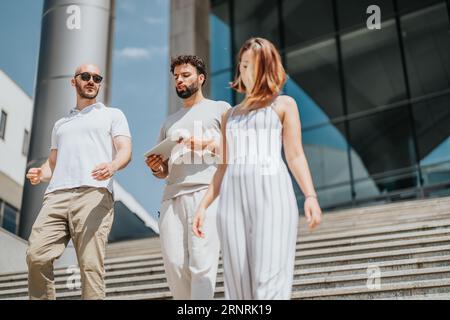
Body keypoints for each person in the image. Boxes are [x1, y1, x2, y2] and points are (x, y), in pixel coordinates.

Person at [192, 38, 323, 300]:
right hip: (232, 198)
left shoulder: (283, 105)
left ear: (268, 67)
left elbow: (295, 155)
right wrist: (203, 205)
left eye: (253, 65)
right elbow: (223, 167)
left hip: (272, 190)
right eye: (242, 66)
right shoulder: (230, 115)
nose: (246, 72)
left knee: (270, 281)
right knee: (239, 288)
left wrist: (310, 195)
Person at [25, 64, 132, 300]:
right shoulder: (61, 124)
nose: (92, 81)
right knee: (36, 254)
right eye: (85, 76)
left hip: (94, 194)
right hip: (56, 197)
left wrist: (113, 165)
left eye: (97, 77)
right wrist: (41, 173)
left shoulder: (112, 115)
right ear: (74, 82)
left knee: (91, 265)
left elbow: (125, 150)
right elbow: (52, 163)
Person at [145, 55, 231, 299]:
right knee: (174, 265)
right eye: (176, 77)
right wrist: (156, 167)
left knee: (201, 263)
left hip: (207, 193)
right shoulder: (168, 122)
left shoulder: (220, 109)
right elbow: (163, 171)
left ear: (201, 78)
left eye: (185, 75)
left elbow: (233, 150)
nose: (179, 81)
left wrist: (204, 144)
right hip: (171, 198)